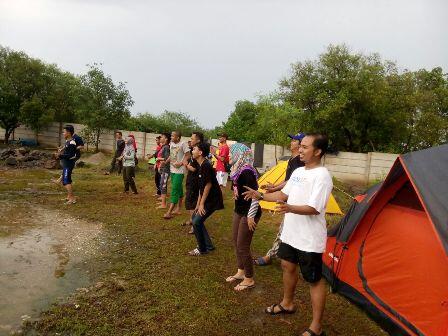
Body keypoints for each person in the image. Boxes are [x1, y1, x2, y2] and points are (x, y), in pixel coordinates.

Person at [243, 133, 333, 336]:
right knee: (287, 265)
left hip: (309, 239)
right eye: (300, 146)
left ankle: (316, 327)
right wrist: (262, 195)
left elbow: (315, 208)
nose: (300, 150)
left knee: (313, 279)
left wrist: (290, 207)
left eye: (305, 147)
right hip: (291, 233)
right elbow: (283, 195)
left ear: (318, 151)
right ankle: (287, 303)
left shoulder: (322, 176)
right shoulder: (299, 171)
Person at [254, 132, 305, 266]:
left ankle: (270, 256)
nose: (291, 142)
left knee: (285, 229)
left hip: (295, 200)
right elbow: (288, 179)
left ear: (300, 145)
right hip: (290, 199)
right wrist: (275, 186)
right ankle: (294, 254)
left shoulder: (299, 160)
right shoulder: (292, 159)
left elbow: (292, 182)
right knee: (291, 228)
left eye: (294, 140)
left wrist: (275, 189)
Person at [225, 143, 262, 291]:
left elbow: (255, 196)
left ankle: (249, 278)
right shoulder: (237, 169)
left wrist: (251, 216)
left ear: (239, 154)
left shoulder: (247, 171)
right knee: (236, 241)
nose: (228, 155)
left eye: (231, 153)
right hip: (239, 210)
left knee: (242, 245)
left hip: (250, 213)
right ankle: (240, 271)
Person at [188, 142, 224, 256]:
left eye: (194, 149)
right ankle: (208, 245)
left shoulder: (206, 165)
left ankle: (202, 248)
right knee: (195, 217)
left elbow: (208, 185)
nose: (192, 151)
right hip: (206, 198)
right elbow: (201, 188)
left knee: (196, 221)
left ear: (200, 152)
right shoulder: (200, 165)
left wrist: (202, 204)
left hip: (212, 199)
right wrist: (198, 204)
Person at [163, 131, 190, 219]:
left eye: (172, 136)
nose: (171, 137)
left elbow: (188, 155)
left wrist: (181, 163)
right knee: (179, 188)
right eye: (171, 135)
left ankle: (169, 212)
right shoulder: (171, 144)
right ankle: (178, 209)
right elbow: (172, 155)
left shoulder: (183, 144)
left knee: (174, 189)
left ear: (178, 137)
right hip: (172, 169)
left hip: (180, 170)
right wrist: (165, 162)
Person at [183, 132, 203, 231]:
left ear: (198, 141)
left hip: (195, 181)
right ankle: (192, 220)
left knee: (192, 201)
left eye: (192, 138)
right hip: (191, 179)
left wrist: (186, 165)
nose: (190, 140)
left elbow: (194, 169)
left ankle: (195, 225)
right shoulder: (193, 151)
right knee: (190, 200)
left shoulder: (198, 153)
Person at [57, 125, 78, 204]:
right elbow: (66, 153)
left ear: (68, 133)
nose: (63, 133)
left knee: (66, 181)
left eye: (64, 132)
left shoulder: (72, 143)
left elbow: (71, 155)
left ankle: (72, 199)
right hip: (66, 164)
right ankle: (69, 196)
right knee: (66, 181)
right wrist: (60, 153)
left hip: (69, 164)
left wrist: (60, 155)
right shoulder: (67, 142)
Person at [156, 133, 171, 209]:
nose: (160, 138)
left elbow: (167, 158)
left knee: (163, 185)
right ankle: (162, 200)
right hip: (163, 169)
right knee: (162, 184)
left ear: (166, 139)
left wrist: (158, 159)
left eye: (162, 137)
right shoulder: (163, 147)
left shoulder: (166, 147)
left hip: (166, 170)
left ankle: (164, 204)